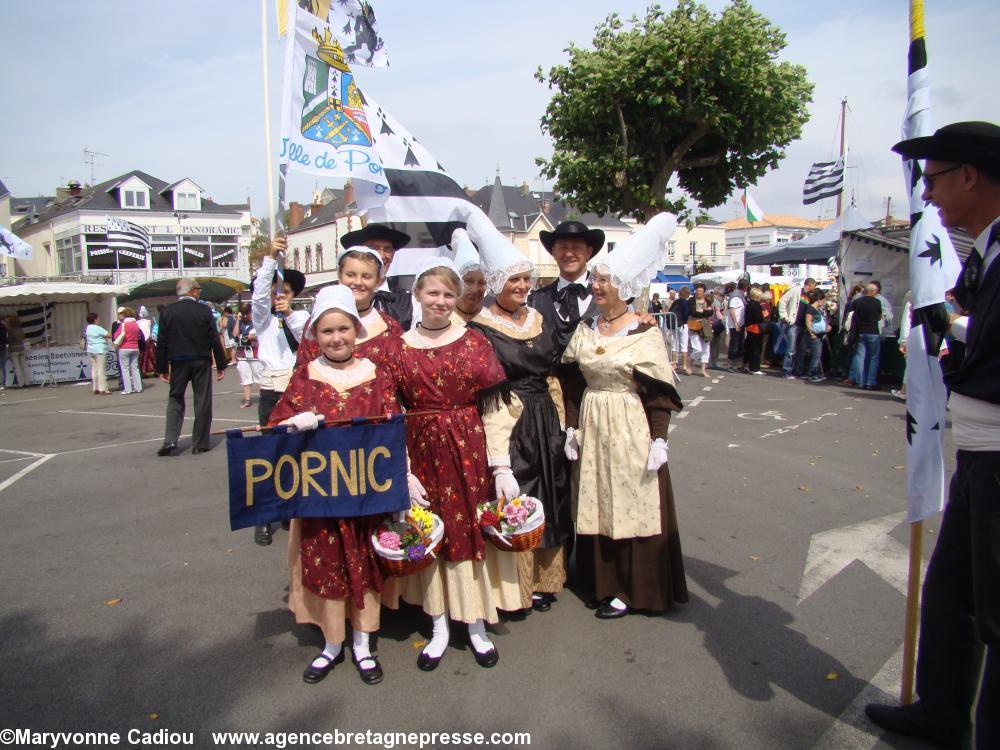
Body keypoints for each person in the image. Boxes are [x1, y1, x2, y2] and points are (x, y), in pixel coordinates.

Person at [865, 121, 1000, 750]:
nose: (931, 196)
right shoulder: (988, 247)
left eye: (936, 178)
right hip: (978, 452)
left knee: (993, 613)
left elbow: (982, 335)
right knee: (952, 596)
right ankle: (942, 711)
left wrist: (953, 329)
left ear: (970, 175)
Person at [268, 285, 410, 686]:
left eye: (343, 329)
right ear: (315, 335)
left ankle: (363, 644)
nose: (336, 338)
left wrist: (402, 485)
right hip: (321, 499)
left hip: (366, 497)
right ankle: (332, 644)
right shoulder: (306, 377)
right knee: (327, 567)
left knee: (363, 566)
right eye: (327, 331)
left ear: (355, 331)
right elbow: (277, 428)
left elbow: (392, 429)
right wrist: (296, 424)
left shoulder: (377, 375)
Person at [382, 257, 514, 670]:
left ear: (456, 299)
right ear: (418, 295)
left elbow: (495, 409)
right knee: (430, 532)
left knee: (467, 531)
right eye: (433, 292)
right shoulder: (398, 347)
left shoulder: (474, 341)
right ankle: (438, 627)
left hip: (467, 447)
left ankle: (475, 625)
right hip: (420, 450)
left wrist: (502, 466)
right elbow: (390, 413)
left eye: (448, 294)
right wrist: (401, 471)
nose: (440, 301)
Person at [561, 214, 688, 619]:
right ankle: (600, 582)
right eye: (595, 280)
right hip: (594, 424)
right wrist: (571, 426)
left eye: (604, 281)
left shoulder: (644, 332)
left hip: (630, 425)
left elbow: (658, 394)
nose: (595, 287)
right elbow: (572, 381)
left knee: (633, 501)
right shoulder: (588, 327)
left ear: (626, 288)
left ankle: (632, 589)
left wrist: (659, 439)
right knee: (597, 498)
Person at [463, 208, 572, 618]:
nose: (523, 287)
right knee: (517, 496)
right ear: (496, 284)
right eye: (514, 280)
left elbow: (556, 369)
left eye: (526, 279)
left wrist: (564, 422)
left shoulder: (539, 318)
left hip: (545, 415)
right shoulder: (481, 327)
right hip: (508, 418)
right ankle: (514, 587)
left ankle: (546, 581)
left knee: (552, 492)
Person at [251, 238, 309, 545]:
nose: (278, 297)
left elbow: (307, 341)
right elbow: (259, 297)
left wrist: (289, 315)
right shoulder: (262, 321)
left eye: (284, 293)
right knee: (268, 455)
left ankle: (291, 510)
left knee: (297, 454)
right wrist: (270, 259)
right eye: (276, 293)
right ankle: (264, 518)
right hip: (271, 391)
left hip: (297, 391)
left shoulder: (299, 319)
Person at [294, 245, 403, 370]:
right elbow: (304, 369)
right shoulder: (320, 321)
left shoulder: (390, 327)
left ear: (378, 280)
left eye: (366, 276)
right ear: (340, 276)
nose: (357, 282)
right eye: (350, 275)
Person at [154, 279, 228, 456]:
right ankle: (200, 442)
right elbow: (213, 338)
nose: (199, 293)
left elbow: (162, 341)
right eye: (199, 290)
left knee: (175, 398)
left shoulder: (167, 312)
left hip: (178, 360)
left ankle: (170, 440)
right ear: (193, 291)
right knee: (202, 399)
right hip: (201, 359)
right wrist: (221, 363)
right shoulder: (203, 310)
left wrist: (162, 367)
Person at [528, 220, 604, 351]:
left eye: (576, 247)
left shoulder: (606, 297)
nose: (569, 254)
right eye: (562, 248)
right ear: (553, 252)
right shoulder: (534, 301)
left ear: (588, 252)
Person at [339, 224, 414, 329]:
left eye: (387, 249)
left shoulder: (408, 301)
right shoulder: (335, 302)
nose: (382, 255)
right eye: (374, 248)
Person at [779, 278, 817, 379]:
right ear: (809, 284)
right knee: (791, 349)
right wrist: (784, 316)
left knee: (801, 349)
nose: (814, 288)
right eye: (814, 285)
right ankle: (787, 370)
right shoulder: (796, 290)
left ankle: (797, 370)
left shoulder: (809, 296)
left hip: (802, 326)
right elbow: (783, 300)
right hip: (794, 324)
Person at [849, 284, 883, 390]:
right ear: (872, 292)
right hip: (873, 332)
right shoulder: (877, 302)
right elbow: (879, 317)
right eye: (876, 291)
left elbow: (852, 313)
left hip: (861, 331)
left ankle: (860, 381)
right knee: (874, 357)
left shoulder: (858, 302)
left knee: (860, 357)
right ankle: (870, 382)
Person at [449, 229, 487, 324]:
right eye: (469, 282)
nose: (475, 289)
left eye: (481, 283)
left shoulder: (491, 321)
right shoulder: (441, 320)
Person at [234, 304, 261, 409]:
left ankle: (263, 399)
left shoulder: (256, 323)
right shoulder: (240, 323)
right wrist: (237, 320)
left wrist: (253, 337)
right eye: (243, 314)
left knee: (259, 377)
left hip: (254, 354)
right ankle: (247, 400)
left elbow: (262, 336)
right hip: (242, 355)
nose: (245, 316)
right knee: (245, 378)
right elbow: (235, 334)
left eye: (247, 313)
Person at [114, 307, 144, 395]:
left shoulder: (124, 324)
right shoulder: (136, 324)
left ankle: (128, 389)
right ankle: (138, 387)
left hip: (124, 348)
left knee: (125, 369)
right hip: (135, 347)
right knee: (135, 368)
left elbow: (116, 336)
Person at [687, 283, 713, 378]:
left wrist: (703, 311)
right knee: (697, 348)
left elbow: (710, 312)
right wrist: (703, 311)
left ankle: (703, 369)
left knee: (706, 348)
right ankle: (689, 363)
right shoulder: (691, 300)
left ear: (704, 292)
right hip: (694, 325)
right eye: (697, 291)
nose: (698, 293)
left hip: (705, 326)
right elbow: (692, 312)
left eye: (700, 291)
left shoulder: (707, 300)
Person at [802, 290, 827, 382]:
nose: (823, 302)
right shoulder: (810, 309)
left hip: (819, 334)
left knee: (817, 355)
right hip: (814, 335)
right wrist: (812, 333)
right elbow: (808, 322)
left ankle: (816, 372)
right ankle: (812, 374)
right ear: (819, 300)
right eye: (823, 300)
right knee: (816, 355)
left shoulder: (817, 309)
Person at [84, 312, 112, 394]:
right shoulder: (98, 328)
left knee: (94, 369)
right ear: (95, 319)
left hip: (90, 349)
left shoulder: (87, 328)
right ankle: (103, 388)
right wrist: (104, 338)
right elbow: (109, 335)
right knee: (101, 369)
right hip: (99, 349)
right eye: (98, 318)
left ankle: (95, 387)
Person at [669, 287, 691, 375]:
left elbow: (670, 311)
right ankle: (684, 365)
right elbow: (686, 314)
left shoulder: (675, 301)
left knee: (674, 344)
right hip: (682, 324)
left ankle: (674, 363)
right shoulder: (685, 302)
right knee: (684, 345)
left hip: (673, 324)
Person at [726, 279, 747, 371]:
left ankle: (739, 365)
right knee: (734, 345)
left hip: (740, 323)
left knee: (739, 345)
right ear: (745, 286)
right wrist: (736, 323)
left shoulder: (740, 295)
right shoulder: (735, 296)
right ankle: (730, 365)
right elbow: (732, 310)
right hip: (735, 325)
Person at [744, 288, 765, 375]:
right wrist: (764, 313)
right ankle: (755, 368)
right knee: (756, 349)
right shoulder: (756, 305)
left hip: (749, 328)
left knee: (751, 348)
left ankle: (751, 367)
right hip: (756, 329)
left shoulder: (748, 304)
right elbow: (759, 318)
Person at [4, 316, 27, 388]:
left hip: (14, 350)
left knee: (17, 367)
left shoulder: (11, 330)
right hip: (22, 348)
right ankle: (27, 382)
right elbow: (23, 338)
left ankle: (21, 383)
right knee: (24, 366)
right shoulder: (20, 329)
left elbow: (9, 341)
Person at [137, 306, 157, 377]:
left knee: (143, 357)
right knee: (151, 356)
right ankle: (153, 370)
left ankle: (143, 371)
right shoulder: (149, 321)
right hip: (148, 339)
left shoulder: (137, 322)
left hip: (142, 340)